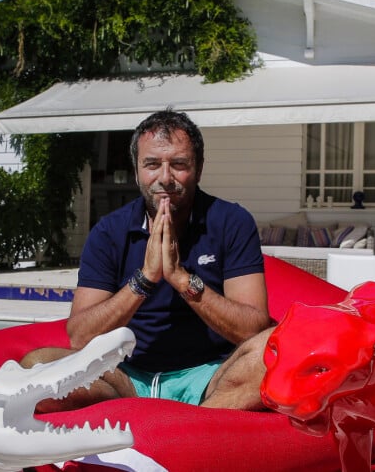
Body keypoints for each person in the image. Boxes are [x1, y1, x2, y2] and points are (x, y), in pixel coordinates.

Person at [23, 108, 273, 411]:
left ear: (199, 167)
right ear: (137, 169)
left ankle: (194, 425)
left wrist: (181, 279)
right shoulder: (109, 231)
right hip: (124, 377)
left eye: (179, 164)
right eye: (152, 164)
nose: (165, 178)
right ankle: (190, 428)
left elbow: (253, 329)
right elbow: (80, 335)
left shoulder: (230, 221)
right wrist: (144, 279)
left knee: (271, 353)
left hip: (209, 377)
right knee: (35, 368)